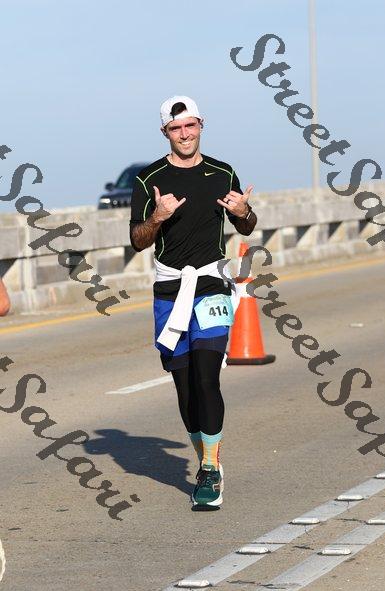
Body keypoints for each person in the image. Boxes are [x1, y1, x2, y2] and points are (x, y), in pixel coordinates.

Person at [129, 95, 257, 508]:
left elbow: (246, 225)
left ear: (201, 125)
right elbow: (137, 241)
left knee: (206, 377)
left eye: (190, 125)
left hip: (211, 285)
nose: (184, 134)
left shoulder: (222, 172)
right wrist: (157, 217)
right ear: (165, 132)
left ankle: (210, 468)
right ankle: (206, 458)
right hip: (170, 291)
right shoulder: (149, 180)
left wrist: (244, 211)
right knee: (185, 387)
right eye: (176, 128)